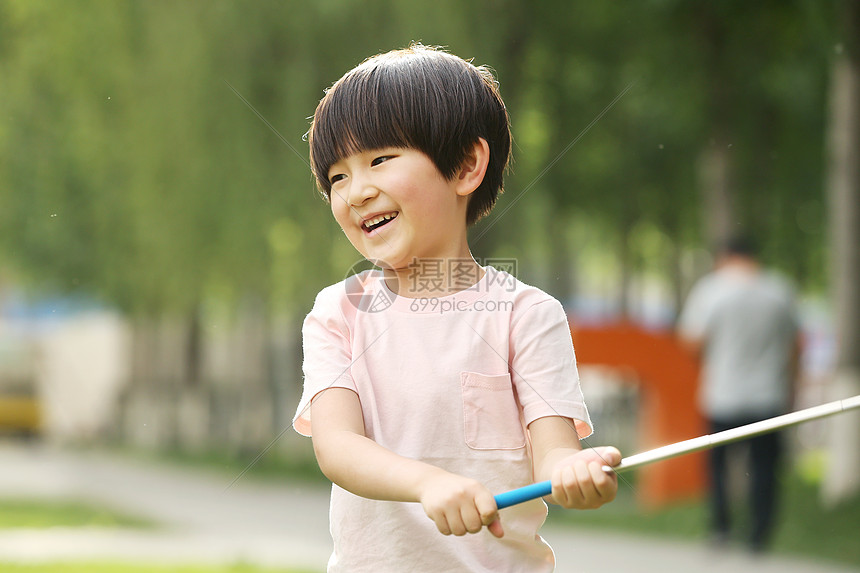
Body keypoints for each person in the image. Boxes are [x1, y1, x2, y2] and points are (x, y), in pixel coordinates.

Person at [291, 44, 620, 572]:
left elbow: (553, 452)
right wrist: (429, 483)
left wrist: (578, 472)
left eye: (378, 160)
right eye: (337, 176)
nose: (355, 192)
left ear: (466, 166)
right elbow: (337, 447)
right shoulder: (338, 314)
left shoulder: (527, 315)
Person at [678, 235, 801, 553]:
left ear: (725, 256)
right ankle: (759, 536)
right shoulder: (780, 289)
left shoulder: (711, 289)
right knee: (764, 468)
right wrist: (792, 385)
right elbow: (796, 344)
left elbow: (691, 341)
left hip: (723, 394)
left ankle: (720, 528)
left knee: (718, 467)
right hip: (768, 395)